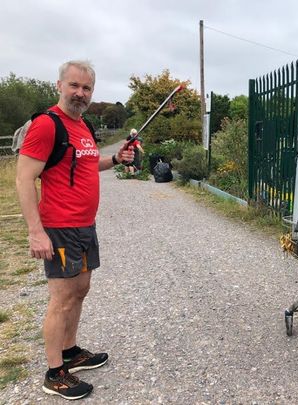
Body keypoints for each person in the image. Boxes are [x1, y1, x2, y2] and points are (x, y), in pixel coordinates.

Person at [16, 60, 135, 400]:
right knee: (62, 299)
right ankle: (54, 373)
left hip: (85, 225)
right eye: (74, 86)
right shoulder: (47, 125)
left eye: (86, 88)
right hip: (60, 227)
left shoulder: (81, 125)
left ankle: (70, 352)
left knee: (80, 290)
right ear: (60, 85)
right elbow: (24, 179)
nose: (80, 93)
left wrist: (115, 160)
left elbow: (86, 162)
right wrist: (35, 231)